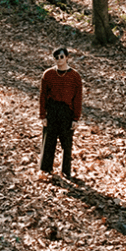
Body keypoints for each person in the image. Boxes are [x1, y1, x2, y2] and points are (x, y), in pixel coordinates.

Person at [39, 46, 83, 179]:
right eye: (56, 58)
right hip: (52, 110)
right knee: (48, 141)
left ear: (67, 57)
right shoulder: (48, 74)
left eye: (62, 57)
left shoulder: (75, 76)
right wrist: (43, 116)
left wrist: (76, 118)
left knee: (67, 143)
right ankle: (46, 169)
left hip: (66, 112)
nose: (59, 60)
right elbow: (42, 96)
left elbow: (78, 98)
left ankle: (66, 171)